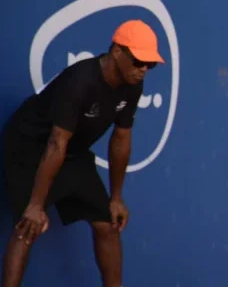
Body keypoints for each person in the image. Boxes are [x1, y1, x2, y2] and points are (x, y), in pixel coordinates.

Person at [1, 19, 165, 287]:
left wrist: (117, 197)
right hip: (29, 148)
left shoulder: (133, 85)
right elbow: (55, 142)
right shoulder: (81, 80)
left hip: (71, 153)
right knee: (28, 227)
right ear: (116, 51)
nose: (144, 69)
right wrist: (35, 205)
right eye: (138, 61)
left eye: (151, 64)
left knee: (107, 224)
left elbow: (121, 138)